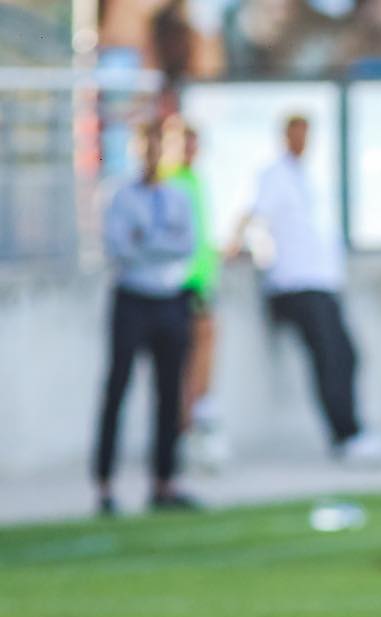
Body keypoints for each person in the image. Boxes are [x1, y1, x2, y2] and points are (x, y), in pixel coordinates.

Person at [232, 114, 381, 463]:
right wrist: (232, 245)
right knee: (328, 357)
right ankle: (345, 436)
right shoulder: (274, 175)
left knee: (347, 356)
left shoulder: (306, 177)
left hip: (322, 282)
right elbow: (253, 213)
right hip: (296, 284)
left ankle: (354, 430)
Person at [95, 120, 200, 515]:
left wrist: (146, 240)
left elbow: (186, 245)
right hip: (132, 299)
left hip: (170, 300)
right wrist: (158, 243)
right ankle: (105, 483)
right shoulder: (119, 196)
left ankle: (165, 482)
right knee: (117, 388)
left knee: (170, 393)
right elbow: (119, 248)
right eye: (147, 145)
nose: (153, 154)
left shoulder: (178, 197)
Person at [161, 119, 226, 469]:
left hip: (200, 284)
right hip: (178, 286)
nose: (190, 150)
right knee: (180, 362)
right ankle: (182, 431)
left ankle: (196, 421)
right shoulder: (168, 182)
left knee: (203, 349)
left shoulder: (197, 181)